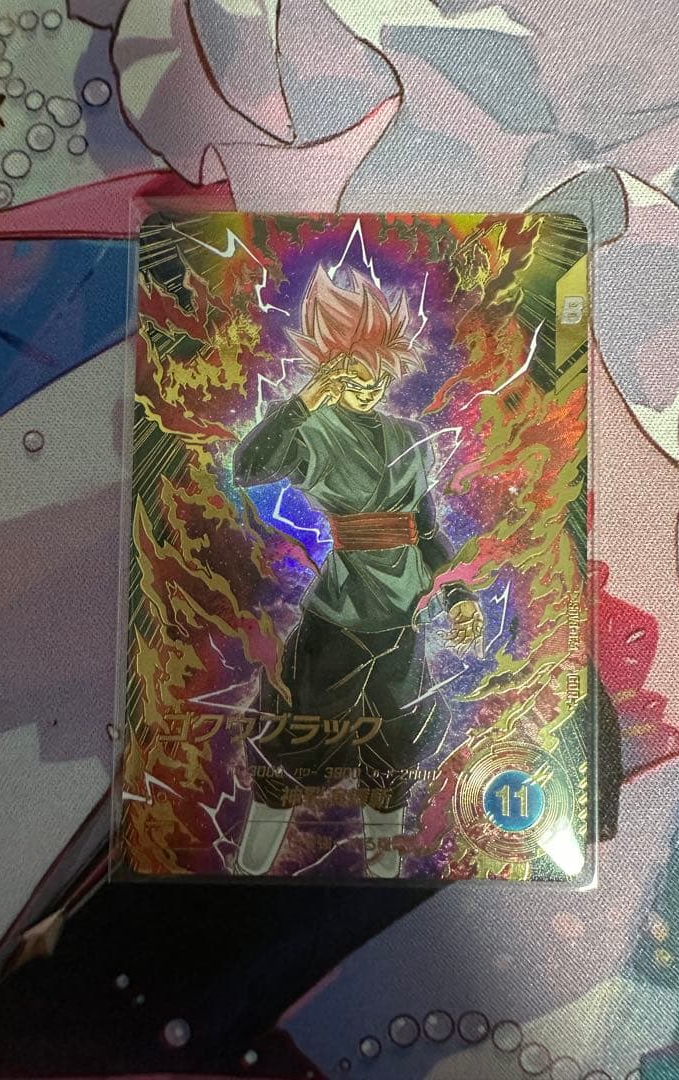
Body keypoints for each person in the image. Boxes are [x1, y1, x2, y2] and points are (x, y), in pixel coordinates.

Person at [232, 265, 483, 877]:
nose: (368, 385)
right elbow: (249, 466)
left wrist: (456, 594)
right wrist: (307, 400)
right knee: (297, 742)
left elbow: (426, 530)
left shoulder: (409, 437)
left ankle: (384, 872)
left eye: (377, 372)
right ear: (328, 368)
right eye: (351, 372)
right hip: (339, 617)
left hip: (402, 616)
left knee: (394, 748)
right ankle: (248, 870)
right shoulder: (312, 431)